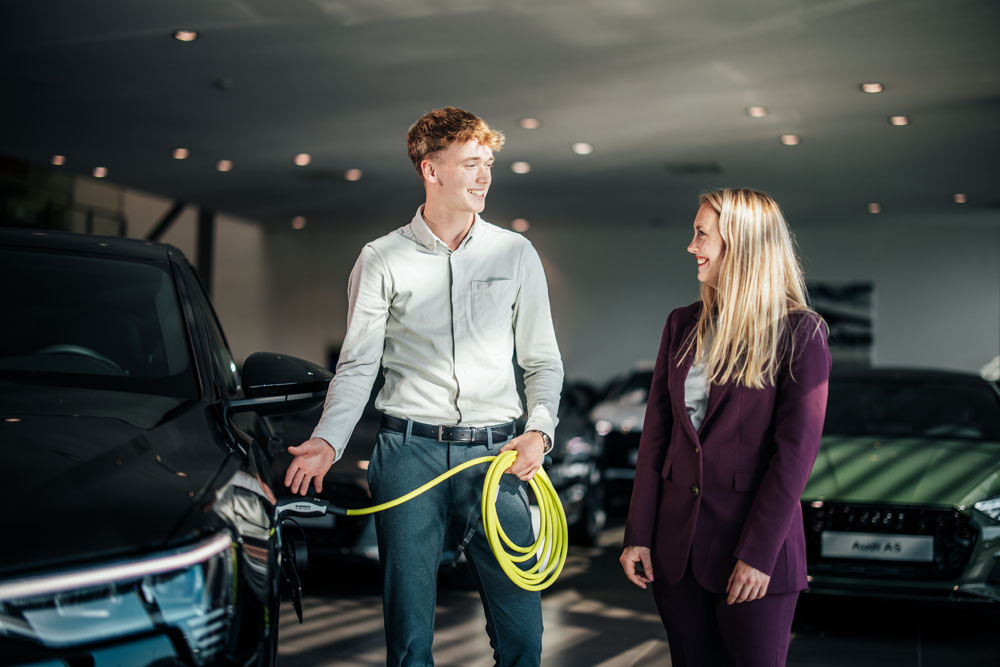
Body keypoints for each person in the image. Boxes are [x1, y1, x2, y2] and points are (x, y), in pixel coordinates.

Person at [284, 107, 563, 667]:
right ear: (430, 170)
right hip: (409, 455)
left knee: (523, 635)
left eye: (487, 163)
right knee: (410, 639)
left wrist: (539, 432)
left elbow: (542, 361)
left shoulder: (515, 254)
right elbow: (358, 365)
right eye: (470, 164)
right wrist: (329, 441)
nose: (485, 176)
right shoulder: (381, 258)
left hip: (499, 458)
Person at [619, 188, 831, 667]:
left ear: (743, 243)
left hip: (753, 554)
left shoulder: (800, 331)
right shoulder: (681, 324)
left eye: (701, 235)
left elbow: (793, 457)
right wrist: (639, 532)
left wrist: (758, 555)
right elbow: (657, 437)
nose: (691, 247)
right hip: (676, 553)